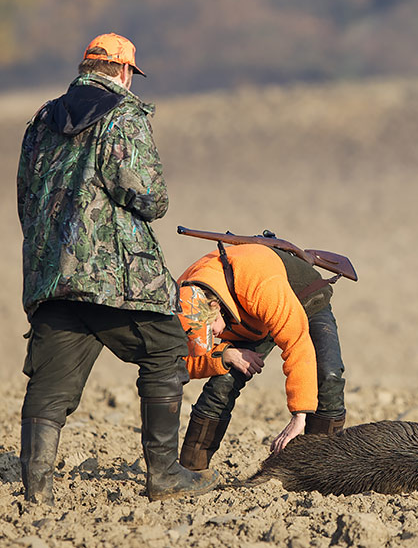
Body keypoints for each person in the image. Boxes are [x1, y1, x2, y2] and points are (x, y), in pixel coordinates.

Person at [16, 33, 218, 504]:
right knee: (167, 348)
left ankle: (36, 491)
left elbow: (26, 199)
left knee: (49, 384)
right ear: (126, 72)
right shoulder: (124, 115)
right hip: (116, 278)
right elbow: (148, 197)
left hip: (52, 276)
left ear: (85, 67)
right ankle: (165, 475)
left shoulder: (41, 119)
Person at [176, 242, 347, 472]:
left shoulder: (260, 286)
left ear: (216, 306)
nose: (214, 336)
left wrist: (300, 414)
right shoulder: (181, 299)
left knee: (328, 376)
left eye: (211, 330)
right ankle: (191, 471)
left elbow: (297, 344)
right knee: (221, 386)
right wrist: (224, 354)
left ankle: (319, 471)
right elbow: (181, 362)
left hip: (303, 300)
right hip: (247, 319)